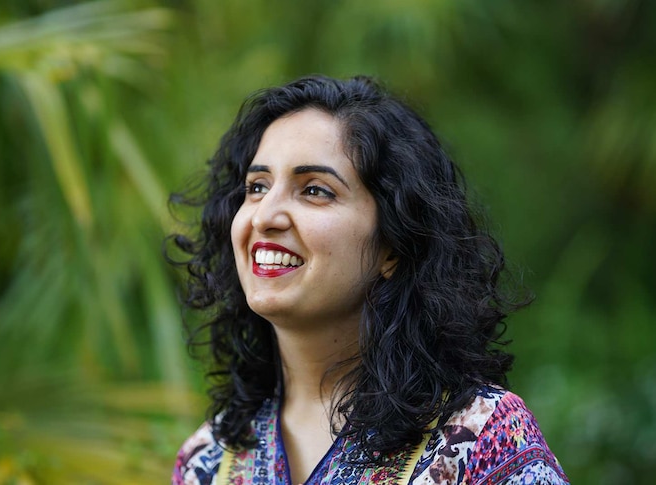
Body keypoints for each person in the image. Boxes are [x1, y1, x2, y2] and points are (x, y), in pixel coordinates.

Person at [170, 75, 569, 484]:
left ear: (393, 245)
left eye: (314, 190)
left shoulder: (482, 437)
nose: (265, 216)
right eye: (257, 187)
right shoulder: (207, 460)